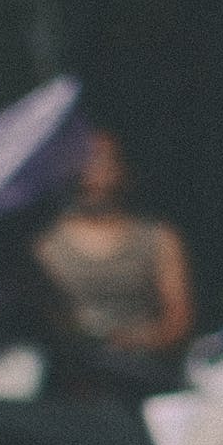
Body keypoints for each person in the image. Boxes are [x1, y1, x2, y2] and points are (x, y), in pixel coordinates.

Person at [35, 128, 193, 396]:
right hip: (68, 380)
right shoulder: (46, 243)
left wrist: (138, 342)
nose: (90, 171)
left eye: (101, 161)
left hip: (140, 376)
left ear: (123, 168)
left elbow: (179, 319)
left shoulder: (159, 238)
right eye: (80, 160)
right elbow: (38, 317)